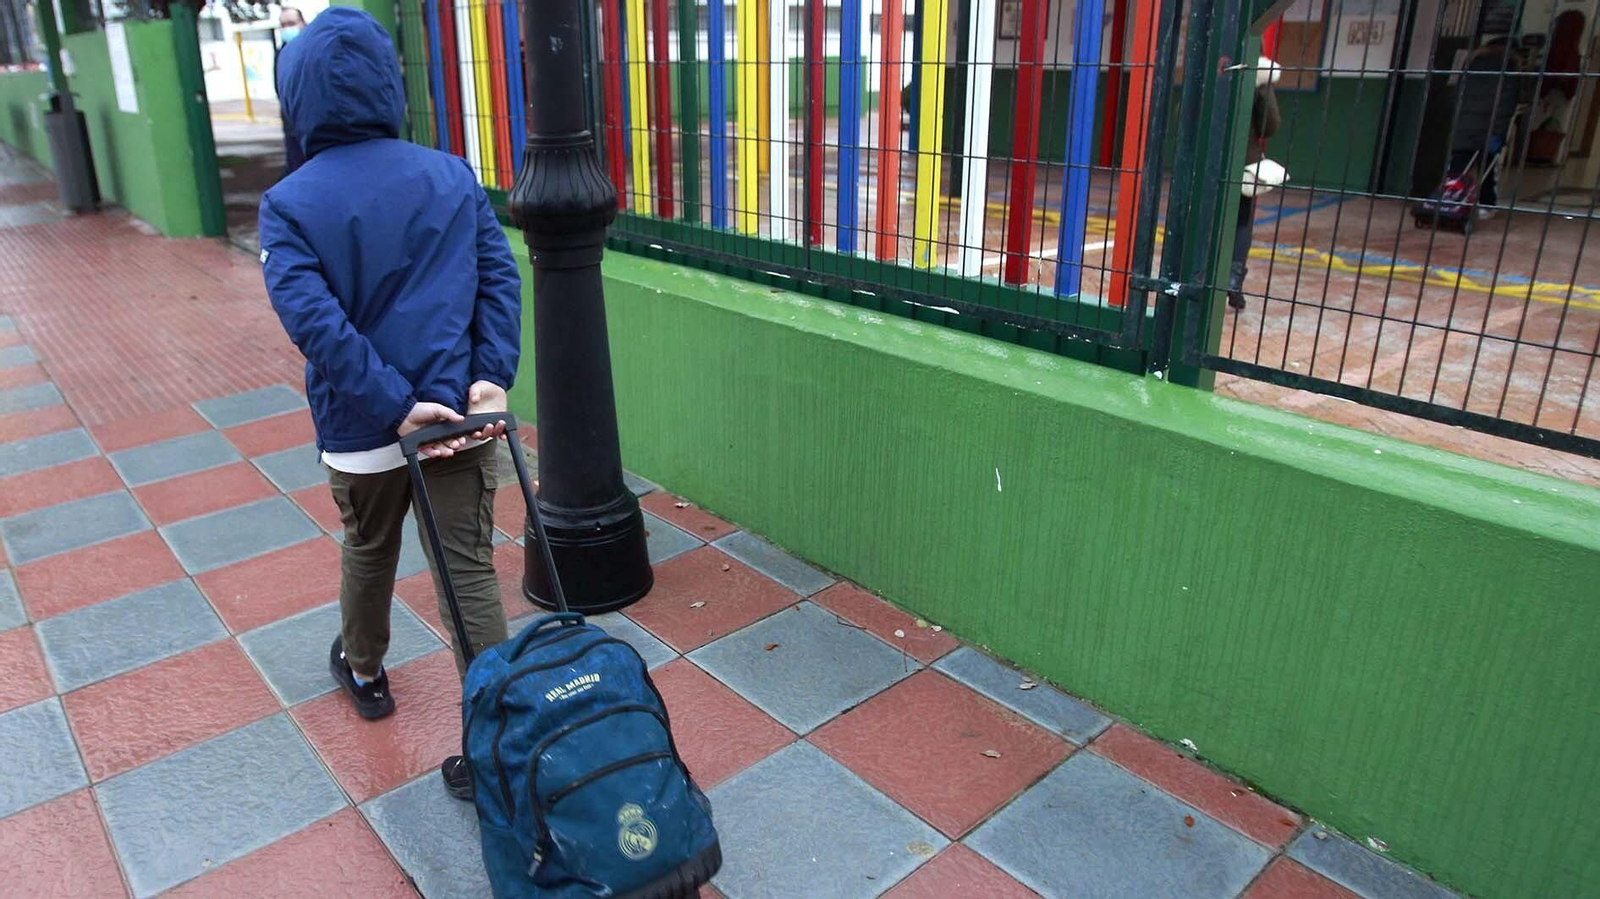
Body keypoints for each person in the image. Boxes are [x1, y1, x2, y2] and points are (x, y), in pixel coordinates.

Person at [259, 7, 522, 801]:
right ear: (388, 83)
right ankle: (498, 745)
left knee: (368, 547)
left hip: (363, 429)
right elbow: (498, 280)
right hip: (457, 416)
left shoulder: (289, 204)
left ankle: (365, 669)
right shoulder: (451, 174)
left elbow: (317, 325)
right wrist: (490, 375)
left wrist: (389, 404)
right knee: (467, 568)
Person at [1228, 56, 1282, 310]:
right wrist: (1263, 87)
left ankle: (1199, 277)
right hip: (1241, 162)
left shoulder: (1210, 68)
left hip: (1205, 161)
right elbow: (1269, 126)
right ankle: (1233, 278)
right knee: (1241, 221)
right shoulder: (1256, 74)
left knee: (1203, 220)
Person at [1449, 36, 1524, 216]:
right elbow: (1507, 102)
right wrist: (1499, 131)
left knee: (1457, 167)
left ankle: (1450, 202)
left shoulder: (1472, 63)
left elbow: (1456, 94)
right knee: (1487, 168)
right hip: (1489, 126)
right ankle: (1485, 205)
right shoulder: (1510, 67)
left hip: (1463, 125)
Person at [274, 7, 307, 176]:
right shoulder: (280, 54)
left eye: (291, 23)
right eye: (283, 24)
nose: (287, 28)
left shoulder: (313, 49)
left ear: (303, 23)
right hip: (292, 125)